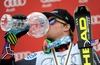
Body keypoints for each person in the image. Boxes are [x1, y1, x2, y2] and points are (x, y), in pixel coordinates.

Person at [0, 8, 100, 65]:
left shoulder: (84, 51)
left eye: (51, 21)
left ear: (66, 26)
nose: (46, 25)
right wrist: (10, 42)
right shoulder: (38, 57)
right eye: (44, 22)